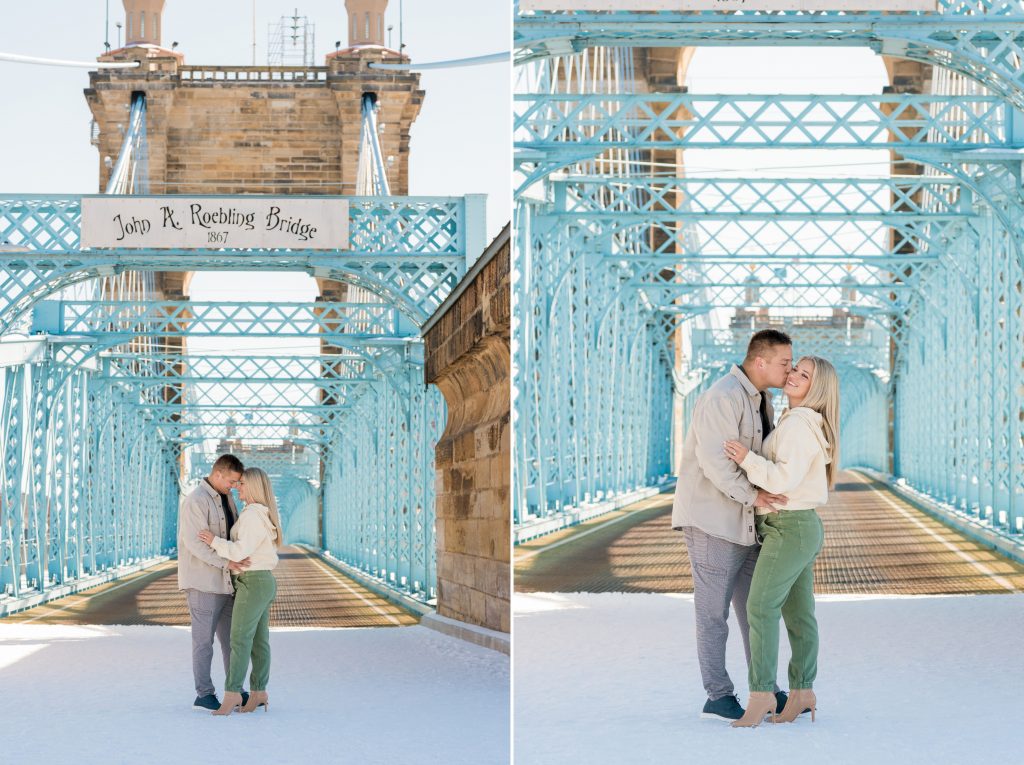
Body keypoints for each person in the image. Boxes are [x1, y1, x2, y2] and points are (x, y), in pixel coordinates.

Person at [672, 329, 793, 721]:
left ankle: (766, 689)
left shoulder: (762, 400)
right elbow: (714, 463)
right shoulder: (723, 397)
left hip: (746, 526)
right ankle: (718, 695)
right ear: (760, 361)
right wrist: (754, 497)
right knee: (713, 615)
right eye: (784, 362)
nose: (789, 369)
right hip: (713, 523)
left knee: (756, 613)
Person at [724, 355, 839, 727]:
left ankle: (761, 695)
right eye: (794, 370)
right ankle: (802, 693)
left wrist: (746, 459)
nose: (793, 376)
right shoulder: (800, 422)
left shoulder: (799, 426)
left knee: (760, 608)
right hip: (799, 527)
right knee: (799, 616)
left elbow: (780, 480)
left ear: (815, 387)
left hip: (788, 527)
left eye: (804, 375)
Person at [198, 466, 282, 716]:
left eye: (242, 483)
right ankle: (258, 692)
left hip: (252, 580)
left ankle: (233, 692)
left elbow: (239, 552)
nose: (237, 486)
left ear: (254, 487)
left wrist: (213, 541)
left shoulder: (254, 516)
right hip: (260, 580)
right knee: (258, 641)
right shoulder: (256, 514)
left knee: (239, 640)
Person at [177, 454, 251, 712]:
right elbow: (194, 544)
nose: (234, 486)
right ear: (218, 474)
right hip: (203, 583)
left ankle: (235, 689)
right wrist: (226, 563)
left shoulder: (227, 498)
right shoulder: (195, 501)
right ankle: (204, 694)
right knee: (203, 642)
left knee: (232, 641)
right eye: (231, 481)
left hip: (227, 583)